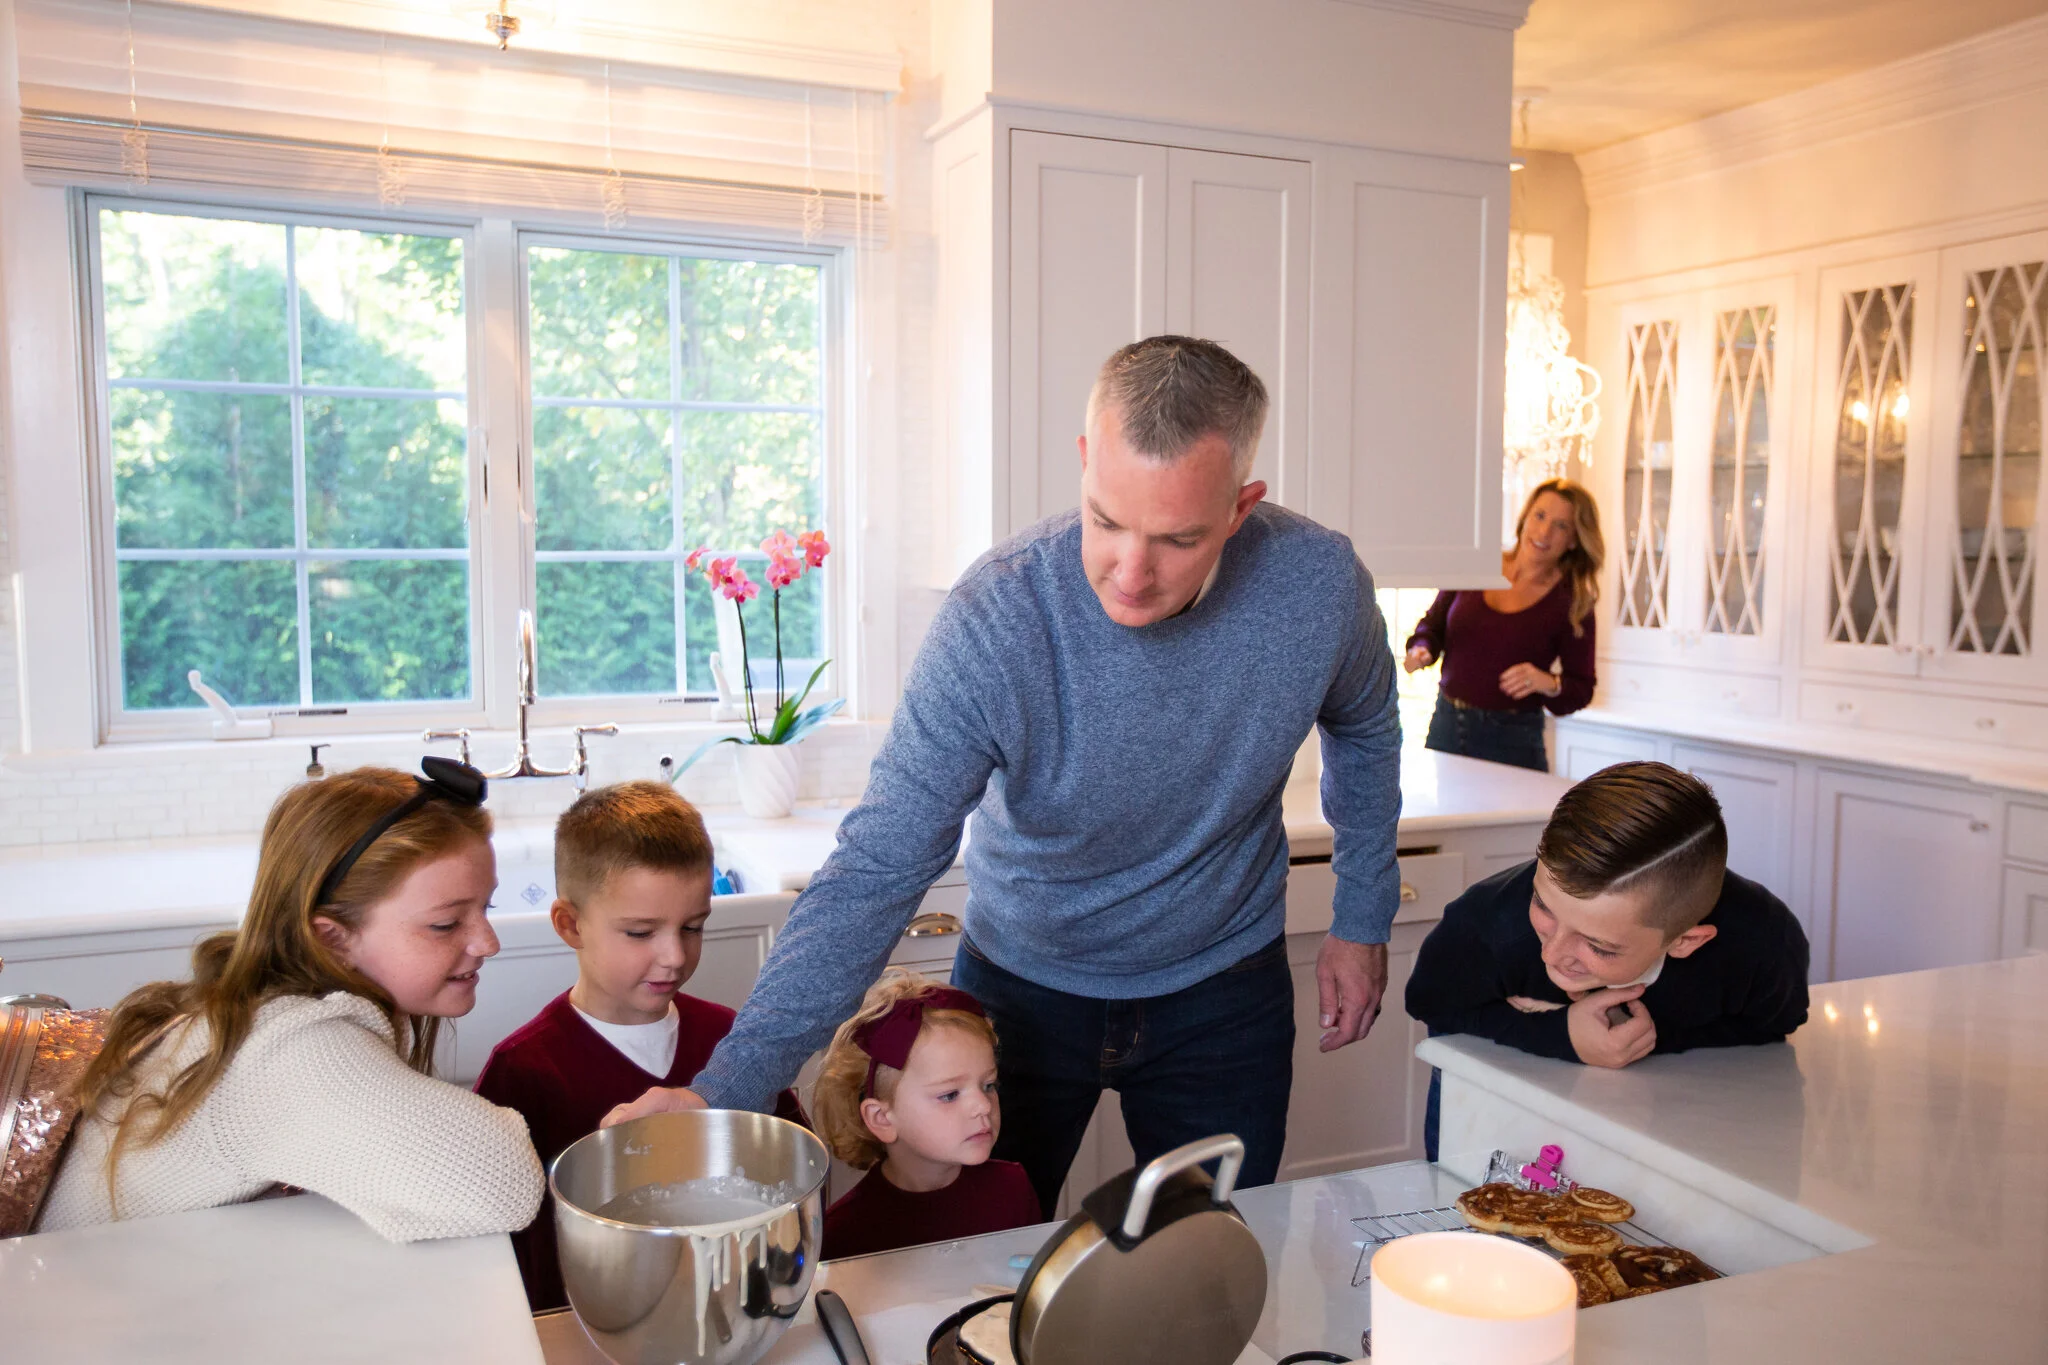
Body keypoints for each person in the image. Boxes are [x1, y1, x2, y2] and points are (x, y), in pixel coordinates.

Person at [604, 336, 1405, 1218]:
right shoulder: (999, 617)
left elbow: (1365, 725)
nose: (1129, 573)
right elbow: (879, 867)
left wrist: (1362, 914)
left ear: (1240, 508)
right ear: (1085, 462)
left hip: (1221, 987)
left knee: (1209, 1254)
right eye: (1106, 520)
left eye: (1177, 538)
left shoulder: (1317, 585)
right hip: (1021, 989)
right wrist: (728, 1089)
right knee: (974, 1265)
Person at [41, 762, 544, 1242]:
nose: (488, 942)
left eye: (487, 906)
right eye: (446, 923)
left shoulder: (257, 1007)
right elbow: (501, 1184)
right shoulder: (291, 1051)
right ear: (332, 938)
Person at [472, 781, 805, 1310]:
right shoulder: (524, 1072)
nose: (674, 956)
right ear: (570, 924)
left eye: (693, 927)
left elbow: (793, 1179)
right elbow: (502, 1252)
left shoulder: (734, 1044)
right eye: (640, 932)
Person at [1405, 761, 1810, 1158]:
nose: (1553, 953)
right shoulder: (1487, 920)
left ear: (1686, 940)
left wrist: (1648, 1041)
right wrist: (1557, 1034)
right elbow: (1429, 1001)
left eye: (1598, 946)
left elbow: (1775, 1025)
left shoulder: (1763, 943)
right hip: (1490, 1121)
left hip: (1684, 1129)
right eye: (1543, 906)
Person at [814, 972, 1040, 1260]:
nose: (983, 1105)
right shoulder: (843, 1233)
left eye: (988, 1085)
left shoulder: (1013, 1190)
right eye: (949, 1095)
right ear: (882, 1118)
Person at [1403, 478, 1604, 772]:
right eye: (1540, 516)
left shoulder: (1574, 604)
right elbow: (1432, 626)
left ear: (1574, 540)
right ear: (1525, 517)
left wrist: (1547, 682)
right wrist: (1422, 649)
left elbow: (1581, 688)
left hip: (1512, 740)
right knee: (1441, 818)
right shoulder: (1478, 565)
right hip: (1446, 725)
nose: (1544, 531)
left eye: (1561, 526)